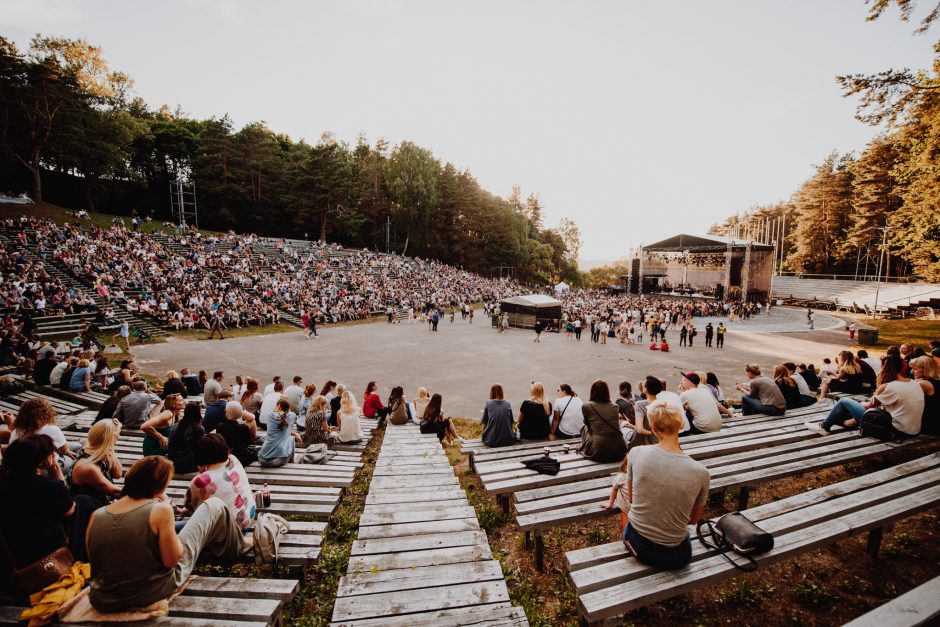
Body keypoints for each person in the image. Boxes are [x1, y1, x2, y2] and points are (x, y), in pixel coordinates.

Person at [86, 455, 246, 612]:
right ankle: (238, 547)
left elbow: (95, 561)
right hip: (149, 592)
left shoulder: (96, 515)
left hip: (102, 598)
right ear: (160, 488)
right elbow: (172, 560)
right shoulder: (161, 510)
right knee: (213, 505)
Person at [620, 404, 709, 570]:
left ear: (653, 428)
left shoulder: (635, 453)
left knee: (621, 490)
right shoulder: (701, 472)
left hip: (636, 543)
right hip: (675, 556)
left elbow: (631, 499)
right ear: (681, 425)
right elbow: (694, 520)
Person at [0, 435, 84, 591]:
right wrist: (55, 468)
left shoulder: (5, 482)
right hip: (43, 556)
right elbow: (70, 510)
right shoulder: (50, 488)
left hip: (11, 551)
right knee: (83, 503)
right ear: (41, 461)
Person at [806, 355, 924, 437]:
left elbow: (869, 406)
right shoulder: (914, 383)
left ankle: (824, 426)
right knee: (848, 412)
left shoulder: (889, 386)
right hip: (912, 430)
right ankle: (840, 421)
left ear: (885, 368)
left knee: (844, 401)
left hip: (894, 430)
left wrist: (861, 404)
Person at [180, 434, 256, 530]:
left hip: (228, 530)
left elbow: (189, 506)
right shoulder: (233, 459)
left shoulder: (201, 480)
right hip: (249, 515)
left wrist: (203, 473)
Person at [67, 419, 123, 506]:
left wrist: (110, 451)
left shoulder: (97, 452)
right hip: (87, 509)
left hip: (99, 502)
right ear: (111, 438)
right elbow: (115, 492)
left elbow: (117, 474)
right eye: (117, 435)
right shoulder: (88, 467)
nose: (119, 437)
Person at [7, 398, 75, 466]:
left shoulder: (16, 431)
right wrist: (65, 451)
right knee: (76, 451)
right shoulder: (52, 429)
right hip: (45, 467)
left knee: (73, 445)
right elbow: (63, 451)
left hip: (19, 465)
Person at [579, 380, 628, 462]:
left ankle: (585, 446)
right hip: (619, 450)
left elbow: (587, 423)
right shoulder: (615, 406)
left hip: (599, 451)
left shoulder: (586, 406)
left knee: (585, 427)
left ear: (592, 391)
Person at [258, 399, 301, 467]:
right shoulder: (292, 415)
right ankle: (292, 461)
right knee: (291, 439)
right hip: (279, 460)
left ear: (278, 406)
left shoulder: (270, 415)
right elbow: (286, 429)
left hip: (263, 459)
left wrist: (278, 409)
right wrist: (295, 434)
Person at [167, 402, 205, 474]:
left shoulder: (176, 425)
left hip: (174, 463)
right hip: (188, 466)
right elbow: (200, 448)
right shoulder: (198, 428)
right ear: (198, 413)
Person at [216, 400, 258, 466]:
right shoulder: (243, 427)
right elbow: (248, 443)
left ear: (227, 412)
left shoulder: (220, 426)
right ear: (240, 412)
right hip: (240, 458)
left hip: (226, 457)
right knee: (256, 452)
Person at [909, 356, 939, 435]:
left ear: (925, 369)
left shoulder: (923, 383)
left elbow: (907, 399)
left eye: (915, 369)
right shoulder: (936, 379)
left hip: (929, 424)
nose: (912, 371)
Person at [601, 453, 631, 532]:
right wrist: (610, 503)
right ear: (625, 466)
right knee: (626, 527)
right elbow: (614, 489)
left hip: (637, 509)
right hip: (626, 508)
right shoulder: (622, 477)